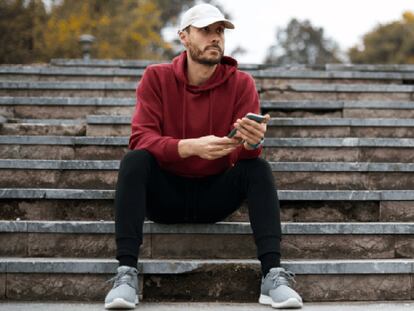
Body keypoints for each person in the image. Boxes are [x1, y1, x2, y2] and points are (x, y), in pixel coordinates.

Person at [104, 3, 303, 310]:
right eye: (206, 31)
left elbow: (247, 154)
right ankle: (126, 274)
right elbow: (140, 137)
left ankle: (272, 275)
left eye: (220, 31)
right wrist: (190, 146)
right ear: (184, 37)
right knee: (134, 161)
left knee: (259, 168)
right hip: (164, 196)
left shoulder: (241, 83)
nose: (215, 38)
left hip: (215, 195)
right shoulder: (156, 78)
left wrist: (251, 144)